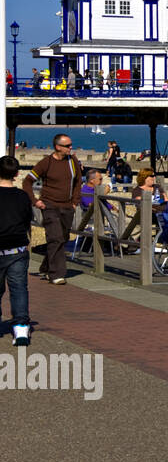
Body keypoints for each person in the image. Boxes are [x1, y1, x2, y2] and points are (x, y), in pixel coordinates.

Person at [22, 133, 83, 285]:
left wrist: (75, 202)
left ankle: (46, 266)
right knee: (55, 237)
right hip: (49, 205)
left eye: (71, 145)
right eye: (67, 145)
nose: (71, 148)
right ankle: (57, 274)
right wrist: (35, 201)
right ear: (58, 147)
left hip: (67, 206)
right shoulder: (46, 163)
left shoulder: (73, 161)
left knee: (62, 238)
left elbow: (78, 182)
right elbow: (27, 182)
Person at [0, 155, 35, 345]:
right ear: (16, 174)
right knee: (19, 289)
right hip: (17, 249)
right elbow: (26, 220)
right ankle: (21, 329)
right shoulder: (22, 196)